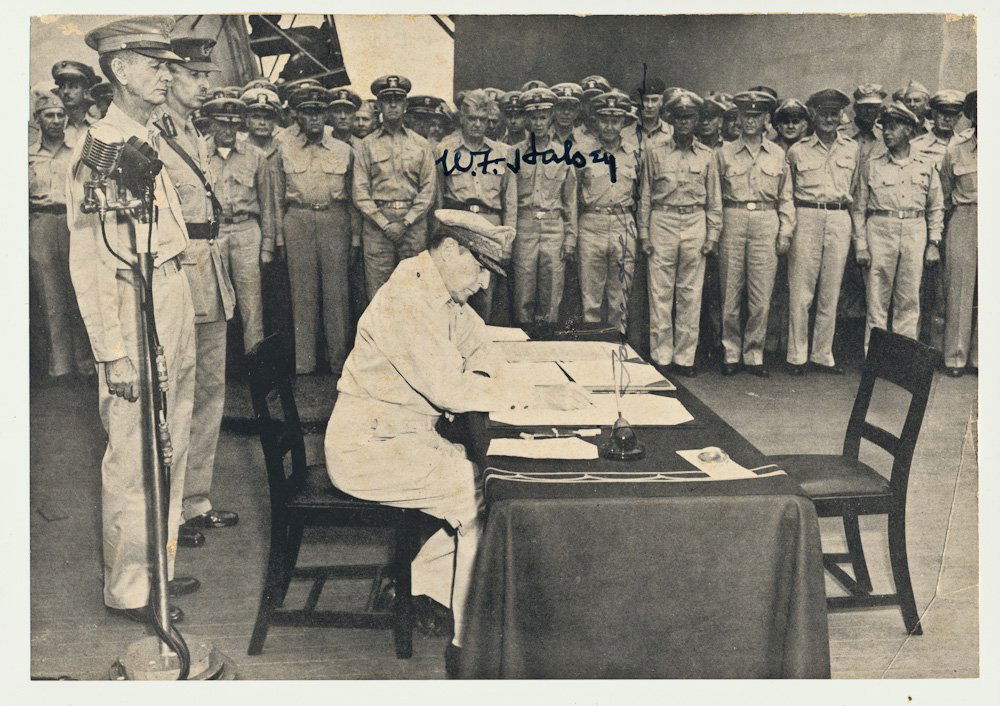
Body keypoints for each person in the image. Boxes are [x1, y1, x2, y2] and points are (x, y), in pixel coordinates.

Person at [324, 208, 588, 677]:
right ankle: (467, 648)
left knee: (492, 488)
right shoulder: (409, 298)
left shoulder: (436, 289)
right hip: (369, 448)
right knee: (485, 497)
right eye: (480, 267)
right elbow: (450, 391)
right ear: (450, 250)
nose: (485, 283)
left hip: (402, 437)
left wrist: (484, 371)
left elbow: (480, 343)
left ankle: (418, 584)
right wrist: (535, 393)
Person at [68, 15, 198, 624]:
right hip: (129, 305)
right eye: (156, 65)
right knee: (132, 453)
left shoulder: (148, 135)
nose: (167, 76)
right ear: (120, 69)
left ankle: (160, 574)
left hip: (168, 294)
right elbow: (90, 263)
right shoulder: (104, 151)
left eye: (169, 66)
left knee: (170, 441)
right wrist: (111, 351)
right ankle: (130, 589)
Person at [157, 36, 241, 545]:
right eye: (195, 75)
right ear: (170, 77)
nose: (206, 84)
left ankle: (195, 501)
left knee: (210, 392)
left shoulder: (194, 131)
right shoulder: (154, 134)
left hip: (210, 273)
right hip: (179, 275)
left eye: (207, 75)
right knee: (176, 397)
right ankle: (168, 511)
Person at [272, 85, 357, 375]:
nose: (315, 119)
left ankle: (338, 363)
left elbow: (354, 197)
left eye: (320, 112)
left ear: (327, 115)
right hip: (298, 221)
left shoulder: (345, 150)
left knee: (337, 295)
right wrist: (279, 237)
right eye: (308, 113)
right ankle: (304, 364)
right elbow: (276, 196)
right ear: (297, 116)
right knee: (302, 295)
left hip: (335, 221)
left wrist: (355, 237)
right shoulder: (283, 149)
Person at [638, 91, 722, 376]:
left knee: (690, 293)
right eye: (679, 117)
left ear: (697, 120)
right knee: (660, 293)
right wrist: (644, 234)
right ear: (669, 119)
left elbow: (714, 199)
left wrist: (712, 236)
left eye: (690, 117)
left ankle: (685, 357)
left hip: (695, 221)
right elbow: (646, 195)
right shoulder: (654, 150)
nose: (685, 122)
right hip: (663, 220)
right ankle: (661, 355)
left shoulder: (708, 156)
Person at [851, 102, 944, 348]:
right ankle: (875, 360)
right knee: (877, 300)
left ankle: (902, 364)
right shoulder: (872, 163)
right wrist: (861, 245)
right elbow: (859, 208)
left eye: (893, 128)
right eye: (885, 128)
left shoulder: (925, 164)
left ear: (909, 130)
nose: (887, 133)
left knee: (909, 300)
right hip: (880, 229)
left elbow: (935, 207)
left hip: (915, 229)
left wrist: (933, 242)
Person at [715, 90, 794, 377]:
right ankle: (731, 351)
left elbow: (786, 196)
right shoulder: (723, 153)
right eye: (745, 115)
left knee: (761, 294)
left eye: (757, 116)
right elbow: (714, 196)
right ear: (738, 118)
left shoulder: (777, 153)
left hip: (765, 219)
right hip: (733, 218)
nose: (750, 121)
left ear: (765, 120)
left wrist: (785, 231)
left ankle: (754, 353)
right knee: (730, 290)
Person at [783, 88, 859, 376]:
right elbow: (787, 193)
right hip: (807, 215)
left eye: (834, 113)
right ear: (812, 114)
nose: (828, 118)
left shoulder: (852, 149)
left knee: (831, 290)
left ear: (841, 116)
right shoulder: (797, 150)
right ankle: (797, 355)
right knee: (801, 290)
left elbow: (855, 190)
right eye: (823, 113)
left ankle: (822, 354)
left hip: (839, 216)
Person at [436, 89, 517, 324]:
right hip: (456, 227)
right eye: (472, 119)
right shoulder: (446, 150)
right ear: (462, 118)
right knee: (455, 293)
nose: (477, 125)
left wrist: (507, 242)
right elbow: (438, 196)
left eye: (483, 120)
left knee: (484, 297)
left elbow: (510, 202)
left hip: (489, 228)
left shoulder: (503, 153)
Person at [203, 96, 277, 352]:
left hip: (247, 231)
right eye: (222, 124)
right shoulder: (199, 153)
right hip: (214, 231)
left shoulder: (255, 156)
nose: (228, 131)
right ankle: (220, 367)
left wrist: (267, 245)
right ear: (211, 124)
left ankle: (256, 369)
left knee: (251, 303)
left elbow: (268, 203)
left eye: (234, 125)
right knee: (214, 302)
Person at [353, 74, 437, 299]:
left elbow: (428, 190)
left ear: (405, 105)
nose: (392, 105)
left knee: (414, 294)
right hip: (377, 227)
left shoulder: (420, 145)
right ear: (379, 105)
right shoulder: (366, 145)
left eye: (397, 100)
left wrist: (406, 221)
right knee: (380, 295)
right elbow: (360, 192)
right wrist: (385, 223)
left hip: (413, 226)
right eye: (387, 100)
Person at [28, 91, 93, 379]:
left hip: (73, 224)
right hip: (41, 225)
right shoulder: (27, 154)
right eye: (48, 115)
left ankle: (86, 363)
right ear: (37, 119)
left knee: (79, 292)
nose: (55, 121)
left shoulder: (77, 150)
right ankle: (61, 367)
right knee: (50, 297)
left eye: (59, 115)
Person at [511, 87, 578, 332]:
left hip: (553, 226)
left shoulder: (563, 154)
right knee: (523, 285)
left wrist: (570, 238)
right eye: (533, 117)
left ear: (550, 118)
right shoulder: (515, 153)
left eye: (543, 117)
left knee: (551, 288)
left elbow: (570, 200)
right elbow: (509, 197)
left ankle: (547, 337)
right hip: (525, 224)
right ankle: (524, 336)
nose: (538, 123)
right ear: (527, 120)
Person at [576, 91, 643, 333]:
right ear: (596, 121)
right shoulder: (582, 153)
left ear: (624, 123)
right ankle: (593, 354)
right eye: (604, 120)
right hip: (591, 223)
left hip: (623, 222)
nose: (609, 126)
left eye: (615, 121)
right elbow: (572, 197)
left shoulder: (635, 154)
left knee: (620, 296)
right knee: (590, 298)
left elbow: (641, 194)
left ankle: (618, 347)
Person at [766, 97, 811, 359]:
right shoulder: (771, 149)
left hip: (804, 219)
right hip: (774, 219)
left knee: (799, 287)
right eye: (785, 121)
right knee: (773, 284)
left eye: (796, 121)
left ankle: (791, 343)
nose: (791, 126)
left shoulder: (808, 150)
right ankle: (772, 342)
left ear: (805, 124)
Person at [939, 91, 977, 377]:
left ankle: (982, 357)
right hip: (965, 216)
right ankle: (955, 358)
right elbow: (944, 189)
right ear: (972, 115)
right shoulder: (956, 147)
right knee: (960, 288)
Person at [51, 59, 100, 147]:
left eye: (73, 86)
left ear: (85, 91)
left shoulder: (98, 127)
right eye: (62, 87)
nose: (65, 91)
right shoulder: (51, 127)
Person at [631, 77, 673, 148]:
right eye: (645, 100)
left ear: (661, 102)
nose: (649, 105)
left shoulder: (672, 132)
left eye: (654, 100)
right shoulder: (625, 133)